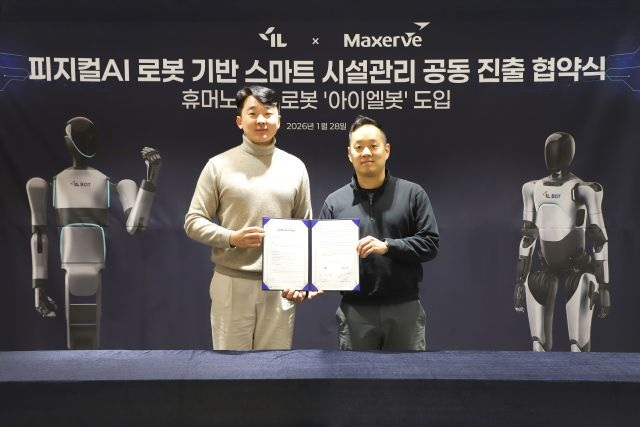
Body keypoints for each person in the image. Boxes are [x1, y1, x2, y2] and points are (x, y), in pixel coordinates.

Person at [184, 85, 312, 350]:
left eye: (268, 113)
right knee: (230, 369)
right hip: (231, 282)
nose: (261, 120)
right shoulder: (218, 165)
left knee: (275, 367)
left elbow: (305, 230)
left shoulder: (296, 167)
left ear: (279, 119)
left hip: (280, 287)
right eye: (253, 113)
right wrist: (231, 238)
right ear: (239, 121)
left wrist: (303, 279)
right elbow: (193, 221)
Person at [316, 114, 439, 351]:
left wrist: (388, 246)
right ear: (349, 154)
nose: (366, 153)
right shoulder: (334, 202)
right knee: (355, 375)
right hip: (355, 311)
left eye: (373, 146)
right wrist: (306, 284)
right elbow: (321, 257)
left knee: (409, 374)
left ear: (387, 150)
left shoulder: (413, 194)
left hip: (405, 309)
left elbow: (430, 243)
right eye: (358, 147)